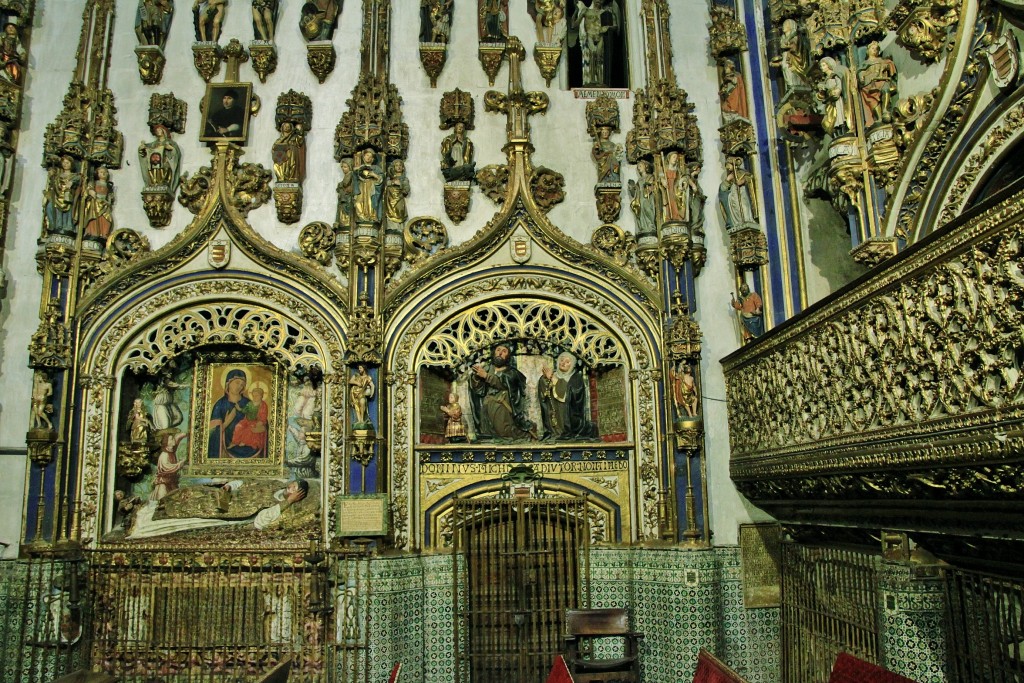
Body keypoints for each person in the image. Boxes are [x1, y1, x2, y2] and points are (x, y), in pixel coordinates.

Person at [128, 478, 311, 539]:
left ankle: (149, 518)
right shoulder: (273, 485)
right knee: (190, 491)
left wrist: (289, 502)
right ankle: (152, 507)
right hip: (224, 496)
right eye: (293, 484)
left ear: (298, 495)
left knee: (194, 504)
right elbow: (246, 483)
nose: (291, 488)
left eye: (295, 489)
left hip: (229, 511)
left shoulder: (278, 507)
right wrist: (230, 486)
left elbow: (260, 522)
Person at [470, 345, 535, 440]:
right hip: (487, 406)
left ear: (508, 356)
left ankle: (528, 433)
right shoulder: (488, 368)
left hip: (502, 406)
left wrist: (486, 376)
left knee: (504, 431)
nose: (500, 353)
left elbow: (505, 385)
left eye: (504, 351)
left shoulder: (512, 372)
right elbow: (479, 390)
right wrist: (476, 377)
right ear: (494, 353)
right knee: (488, 432)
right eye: (498, 350)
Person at [540, 352, 598, 440]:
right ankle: (554, 432)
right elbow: (544, 396)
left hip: (569, 417)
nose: (563, 363)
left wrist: (555, 380)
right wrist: (544, 380)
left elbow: (572, 396)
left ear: (573, 365)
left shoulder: (576, 378)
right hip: (553, 415)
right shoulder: (553, 374)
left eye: (567, 362)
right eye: (562, 360)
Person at [208, 368, 257, 458]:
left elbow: (258, 421)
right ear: (228, 383)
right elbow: (211, 433)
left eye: (242, 385)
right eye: (237, 383)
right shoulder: (220, 404)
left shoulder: (248, 403)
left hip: (248, 444)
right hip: (226, 446)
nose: (240, 387)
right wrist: (227, 422)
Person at [572, 0, 619, 86]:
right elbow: (574, 25)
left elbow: (615, 26)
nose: (598, 1)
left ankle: (600, 82)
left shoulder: (604, 13)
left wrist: (608, 27)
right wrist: (576, 11)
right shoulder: (586, 11)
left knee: (599, 59)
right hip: (590, 35)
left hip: (600, 36)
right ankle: (592, 81)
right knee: (591, 58)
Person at [857, 41, 897, 127]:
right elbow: (860, 71)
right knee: (872, 100)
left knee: (886, 88)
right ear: (868, 51)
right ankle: (878, 117)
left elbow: (888, 65)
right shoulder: (865, 63)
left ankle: (885, 110)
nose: (874, 50)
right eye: (872, 48)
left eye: (876, 49)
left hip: (880, 80)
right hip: (869, 83)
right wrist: (861, 77)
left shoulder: (881, 60)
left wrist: (886, 66)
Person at [43, 156, 81, 236]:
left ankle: (67, 226)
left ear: (72, 164)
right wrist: (52, 176)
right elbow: (54, 184)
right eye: (64, 163)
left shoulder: (75, 175)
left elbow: (79, 180)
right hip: (58, 195)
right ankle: (56, 226)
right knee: (50, 207)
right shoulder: (58, 176)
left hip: (68, 196)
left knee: (68, 209)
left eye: (67, 163)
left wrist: (71, 183)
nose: (65, 164)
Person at [719, 155, 758, 232]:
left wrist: (741, 180)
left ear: (733, 164)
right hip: (734, 193)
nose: (727, 167)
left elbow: (746, 179)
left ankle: (746, 219)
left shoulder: (742, 172)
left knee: (744, 205)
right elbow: (723, 188)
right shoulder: (730, 175)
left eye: (728, 165)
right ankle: (738, 221)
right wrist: (728, 179)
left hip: (742, 192)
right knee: (736, 206)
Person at [138, 124, 181, 190]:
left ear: (163, 131)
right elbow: (147, 153)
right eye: (156, 130)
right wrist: (142, 149)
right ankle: (154, 184)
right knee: (154, 169)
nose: (158, 131)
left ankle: (164, 183)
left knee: (166, 168)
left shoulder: (170, 142)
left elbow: (176, 153)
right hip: (155, 164)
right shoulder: (153, 144)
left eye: (159, 130)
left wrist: (171, 148)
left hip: (165, 162)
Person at [816, 57, 851, 135]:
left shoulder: (834, 76)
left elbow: (840, 85)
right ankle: (835, 134)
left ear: (829, 65)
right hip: (830, 102)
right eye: (821, 66)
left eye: (824, 65)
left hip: (836, 99)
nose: (822, 68)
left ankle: (843, 132)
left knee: (839, 116)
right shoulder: (825, 80)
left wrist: (837, 90)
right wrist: (821, 92)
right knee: (829, 120)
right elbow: (822, 95)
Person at [229, 386, 268, 456]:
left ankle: (244, 442)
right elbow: (244, 410)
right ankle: (235, 442)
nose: (255, 397)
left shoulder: (263, 405)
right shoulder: (250, 403)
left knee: (249, 429)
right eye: (254, 395)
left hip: (257, 422)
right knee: (238, 426)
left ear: (261, 396)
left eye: (257, 395)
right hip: (247, 420)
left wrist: (259, 423)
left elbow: (263, 417)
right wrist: (239, 408)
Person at [150, 432, 188, 501]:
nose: (173, 440)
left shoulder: (171, 451)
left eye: (173, 439)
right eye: (171, 439)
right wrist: (179, 464)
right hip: (163, 483)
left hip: (172, 482)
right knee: (162, 501)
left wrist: (186, 434)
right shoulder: (164, 455)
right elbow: (166, 467)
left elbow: (177, 439)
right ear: (166, 442)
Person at [629, 159, 658, 242]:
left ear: (646, 167)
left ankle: (651, 226)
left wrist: (649, 186)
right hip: (640, 198)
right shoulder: (639, 180)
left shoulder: (650, 176)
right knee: (641, 212)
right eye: (638, 167)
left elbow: (654, 186)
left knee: (648, 209)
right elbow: (635, 192)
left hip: (648, 198)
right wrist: (632, 188)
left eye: (640, 166)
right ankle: (644, 228)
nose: (638, 168)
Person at [83, 166, 114, 242]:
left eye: (105, 172)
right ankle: (92, 233)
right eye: (101, 172)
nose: (103, 173)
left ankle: (103, 234)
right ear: (97, 174)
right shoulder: (94, 183)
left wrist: (109, 200)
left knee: (107, 219)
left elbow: (110, 196)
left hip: (105, 204)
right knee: (94, 218)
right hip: (95, 203)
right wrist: (90, 191)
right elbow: (88, 190)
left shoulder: (109, 185)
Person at [353, 148, 384, 223]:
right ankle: (361, 217)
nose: (368, 157)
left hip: (371, 187)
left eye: (370, 156)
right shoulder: (359, 167)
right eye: (367, 155)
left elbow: (381, 178)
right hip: (361, 187)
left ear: (373, 159)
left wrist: (374, 175)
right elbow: (354, 176)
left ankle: (372, 216)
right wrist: (356, 170)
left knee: (371, 201)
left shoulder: (376, 168)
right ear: (363, 157)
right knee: (358, 202)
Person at [776, 18, 808, 90]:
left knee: (788, 69)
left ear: (790, 26)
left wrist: (787, 46)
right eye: (783, 25)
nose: (783, 27)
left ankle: (793, 85)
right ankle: (789, 87)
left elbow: (795, 48)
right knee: (785, 69)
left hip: (793, 61)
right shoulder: (783, 38)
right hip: (785, 58)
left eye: (786, 25)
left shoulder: (795, 37)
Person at [335, 157, 354, 228]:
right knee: (342, 209)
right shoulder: (347, 175)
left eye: (345, 167)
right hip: (344, 197)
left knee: (346, 209)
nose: (343, 169)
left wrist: (341, 185)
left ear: (350, 166)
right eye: (342, 167)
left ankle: (346, 222)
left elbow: (346, 183)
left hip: (347, 197)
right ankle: (343, 222)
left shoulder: (350, 174)